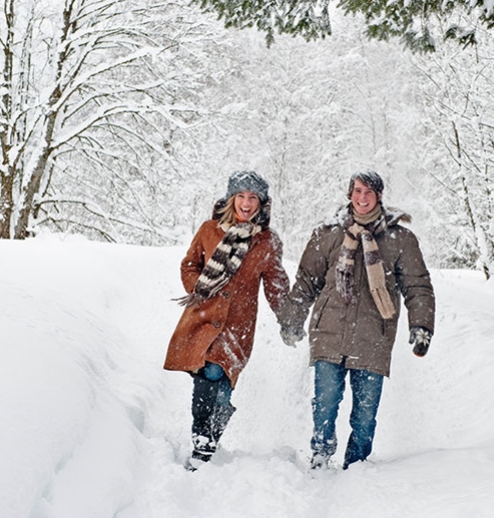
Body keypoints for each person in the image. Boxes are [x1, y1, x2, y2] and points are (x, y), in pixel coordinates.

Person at [279, 170, 435, 470]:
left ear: (379, 196)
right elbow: (307, 281)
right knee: (325, 401)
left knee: (365, 412)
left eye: (369, 192)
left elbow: (417, 285)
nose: (362, 198)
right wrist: (292, 318)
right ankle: (321, 453)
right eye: (357, 191)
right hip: (329, 330)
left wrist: (421, 326)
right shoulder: (327, 233)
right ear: (350, 194)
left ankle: (357, 463)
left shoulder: (399, 238)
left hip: (373, 334)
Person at [164, 170, 290, 470]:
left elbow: (276, 285)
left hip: (238, 327)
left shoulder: (267, 241)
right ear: (231, 198)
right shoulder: (209, 230)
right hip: (204, 318)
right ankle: (202, 441)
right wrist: (198, 287)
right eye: (241, 196)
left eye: (253, 198)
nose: (246, 203)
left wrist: (289, 318)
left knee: (222, 386)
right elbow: (189, 264)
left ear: (261, 203)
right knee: (206, 375)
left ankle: (210, 436)